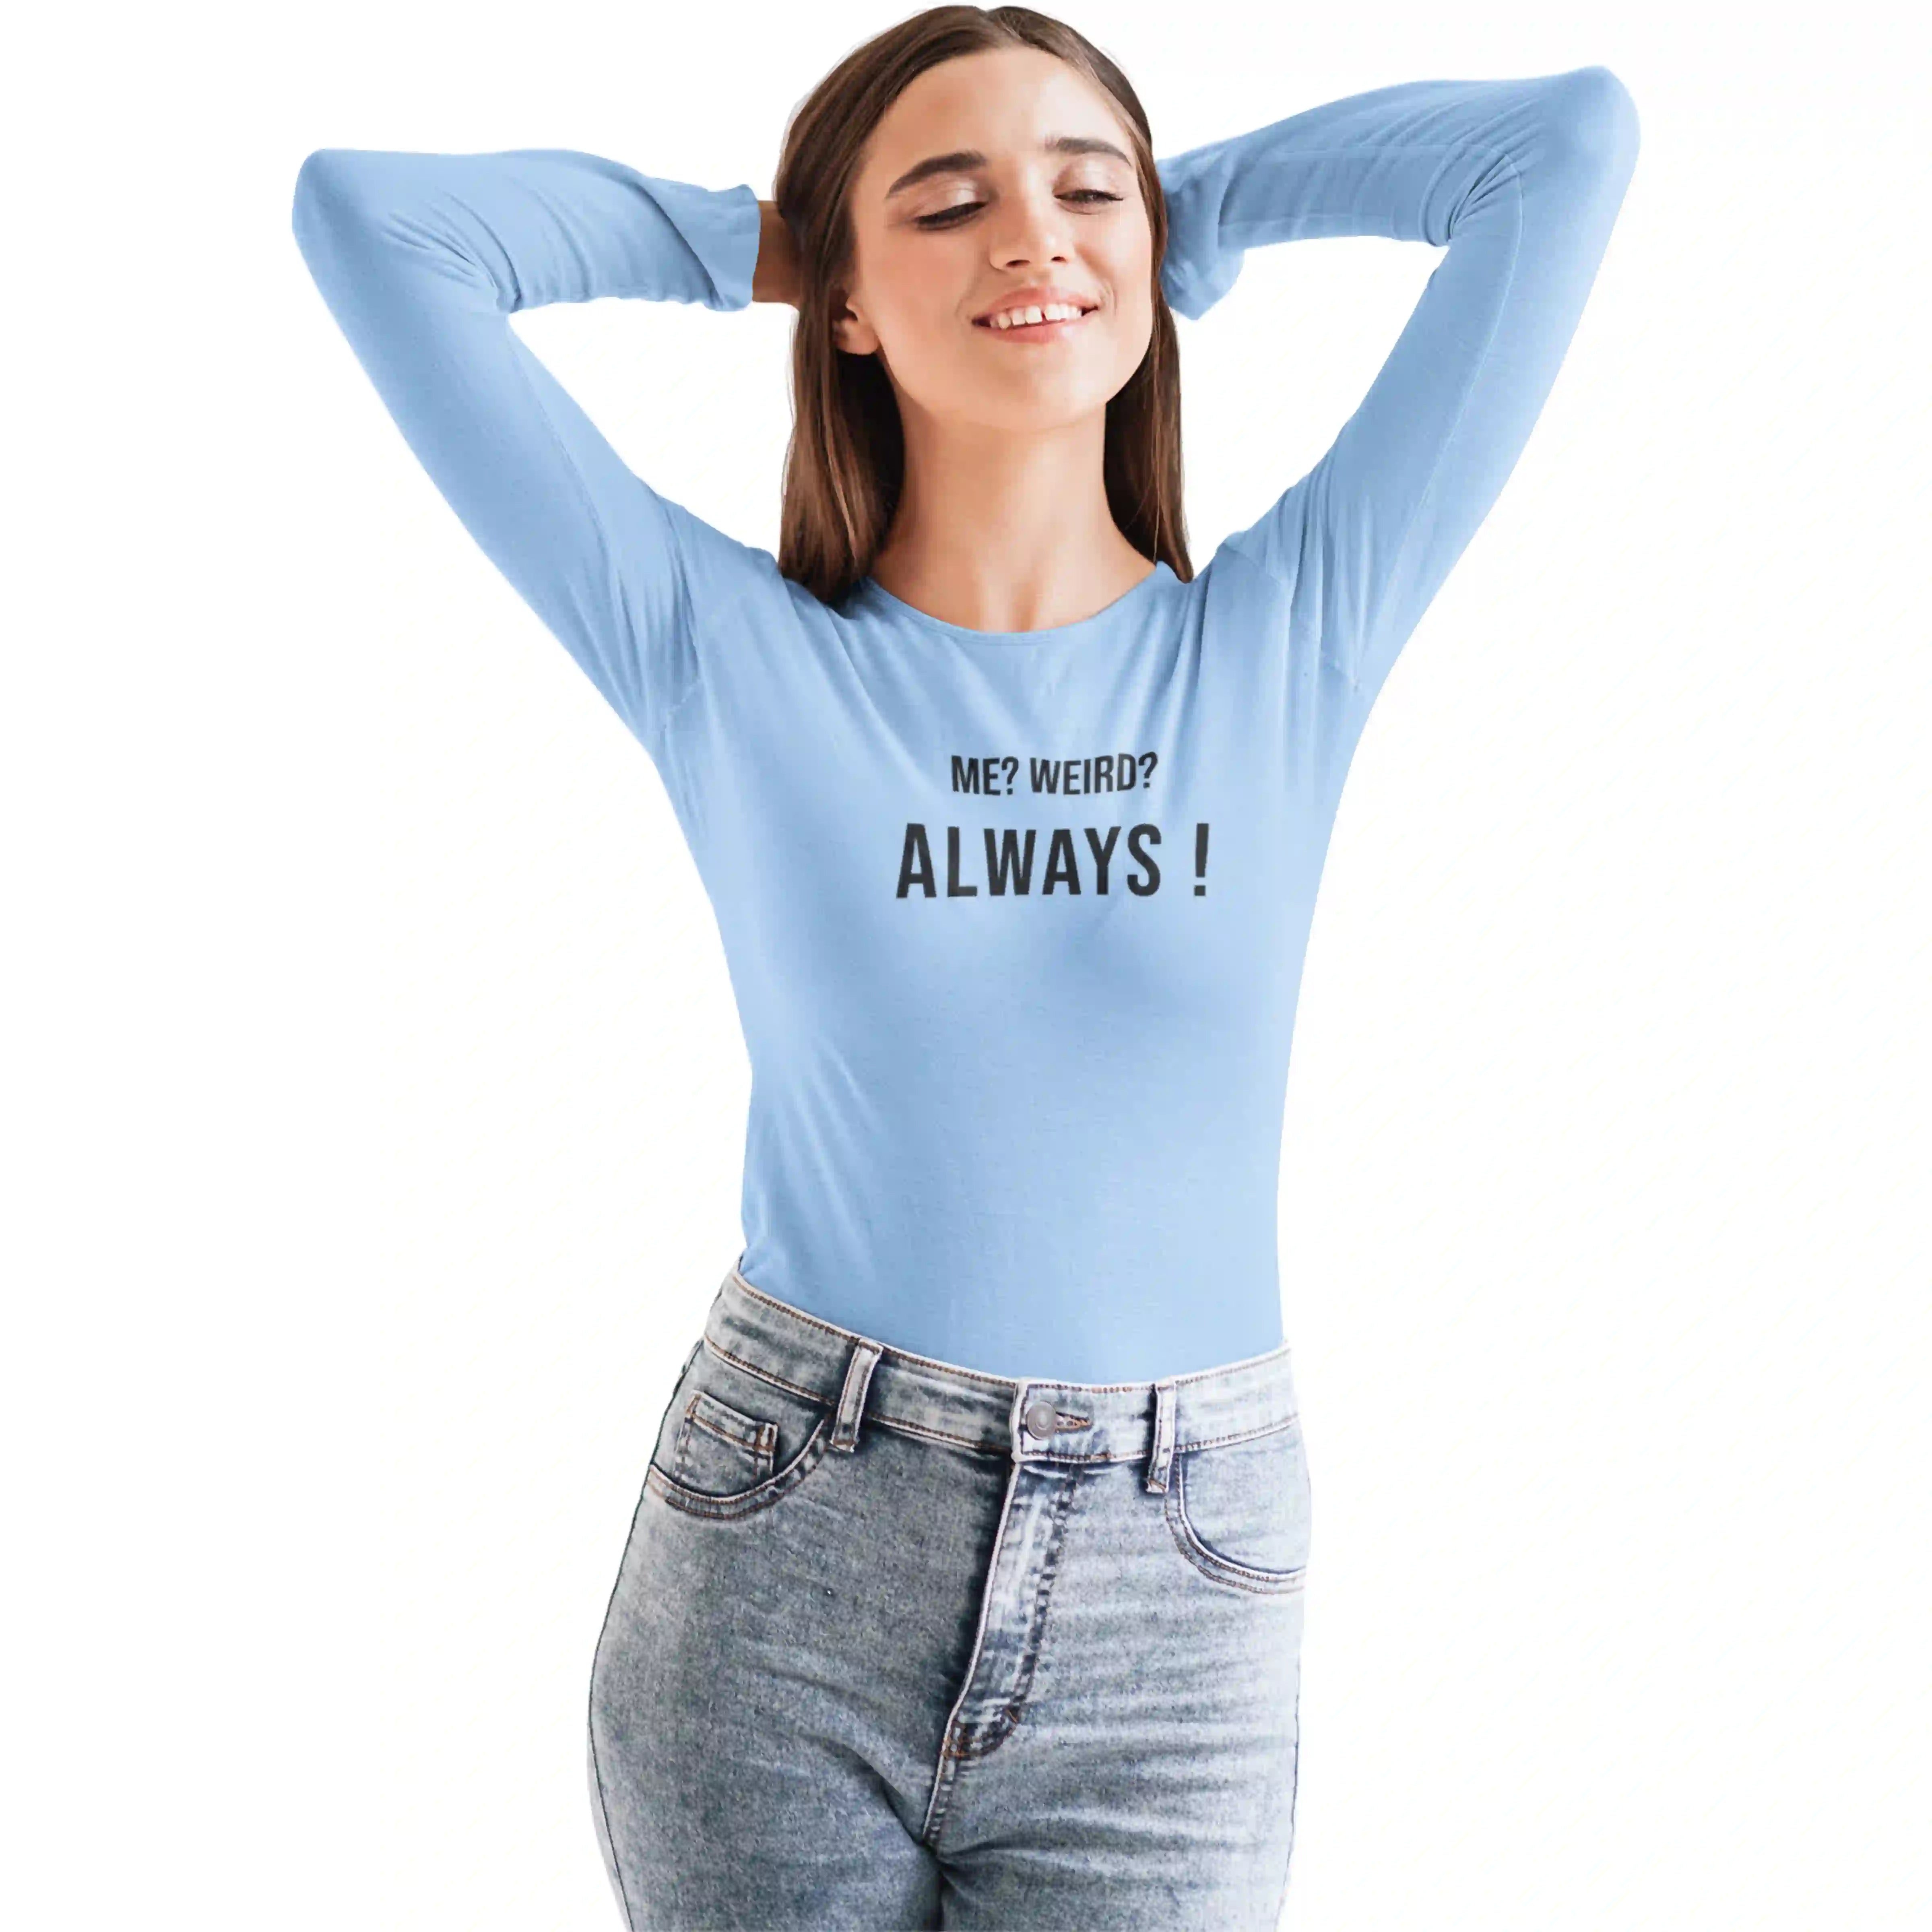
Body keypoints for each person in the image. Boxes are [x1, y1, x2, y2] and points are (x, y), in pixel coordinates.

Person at [290, 5, 1639, 1926]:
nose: (1032, 238)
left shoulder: (1288, 635)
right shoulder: (724, 653)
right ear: (846, 300)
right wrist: (764, 238)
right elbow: (374, 223)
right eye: (948, 206)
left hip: (1188, 1583)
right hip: (791, 1550)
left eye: (1083, 189)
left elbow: (1564, 145)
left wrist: (1179, 216)